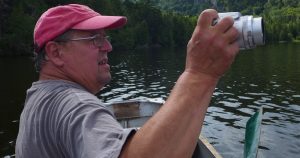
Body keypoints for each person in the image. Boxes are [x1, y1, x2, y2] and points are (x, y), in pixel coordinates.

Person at [16, 3, 239, 158]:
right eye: (95, 39)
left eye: (106, 38)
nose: (108, 47)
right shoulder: (74, 104)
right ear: (55, 53)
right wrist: (200, 74)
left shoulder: (40, 98)